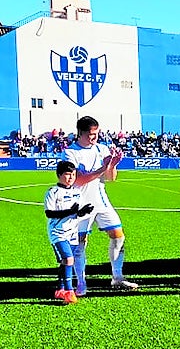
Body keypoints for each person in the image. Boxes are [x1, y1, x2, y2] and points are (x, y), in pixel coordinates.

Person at [62, 116, 136, 293]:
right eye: (91, 134)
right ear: (80, 133)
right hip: (79, 204)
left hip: (101, 201)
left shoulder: (102, 149)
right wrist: (103, 168)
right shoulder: (70, 153)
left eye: (96, 133)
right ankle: (81, 282)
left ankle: (117, 277)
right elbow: (78, 180)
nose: (94, 137)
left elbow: (110, 179)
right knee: (80, 244)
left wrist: (113, 165)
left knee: (118, 235)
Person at [45, 161, 93, 304]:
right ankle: (69, 292)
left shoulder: (76, 192)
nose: (71, 177)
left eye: (73, 174)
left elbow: (76, 213)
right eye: (67, 174)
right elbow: (49, 213)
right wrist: (70, 212)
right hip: (57, 232)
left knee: (65, 262)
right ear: (59, 175)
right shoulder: (53, 192)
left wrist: (82, 212)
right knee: (69, 260)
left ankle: (59, 289)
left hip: (72, 232)